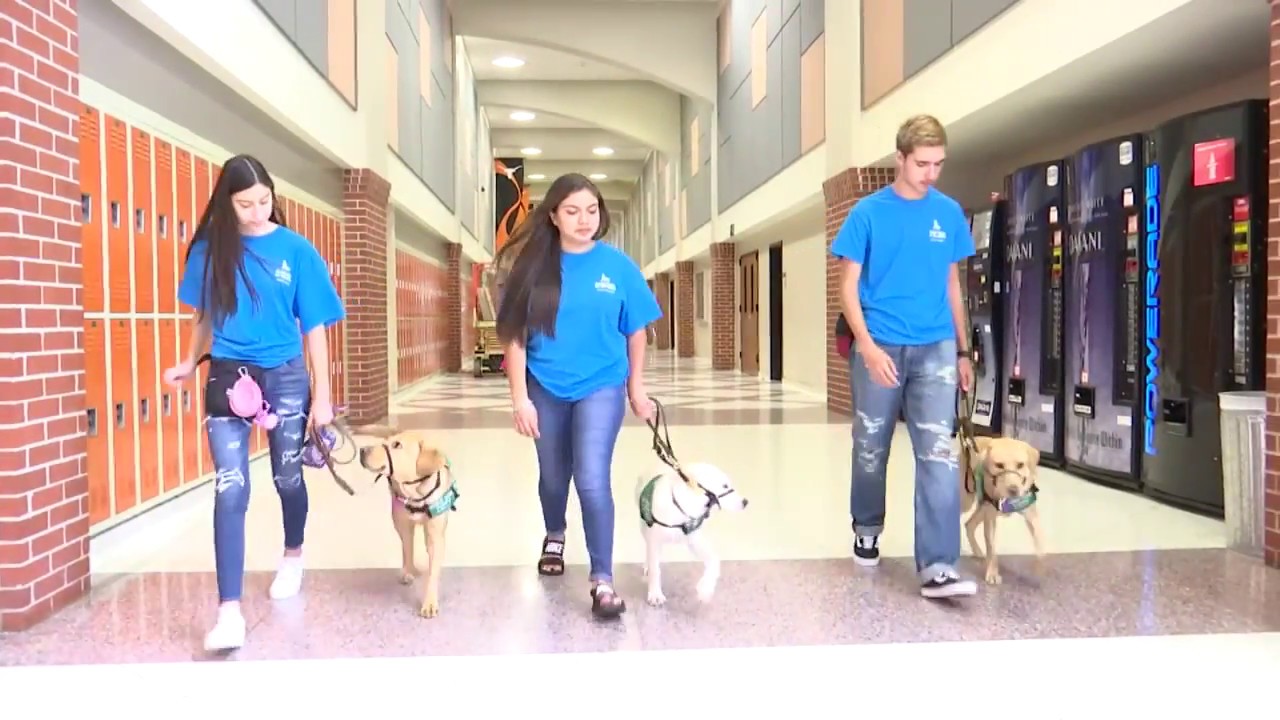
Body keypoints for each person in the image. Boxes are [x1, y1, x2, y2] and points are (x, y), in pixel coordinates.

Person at [164, 154, 345, 650]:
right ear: (227, 202)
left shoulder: (297, 251)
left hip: (285, 377)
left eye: (264, 200)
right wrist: (189, 359)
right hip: (227, 376)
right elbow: (205, 313)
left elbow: (316, 329)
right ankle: (229, 613)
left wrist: (324, 397)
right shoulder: (209, 250)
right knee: (230, 488)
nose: (257, 211)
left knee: (287, 476)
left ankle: (293, 553)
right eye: (245, 204)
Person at [493, 172, 661, 619]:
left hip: (602, 385)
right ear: (553, 215)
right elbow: (514, 338)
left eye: (591, 210)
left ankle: (602, 580)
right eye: (572, 211)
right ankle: (554, 532)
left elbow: (637, 330)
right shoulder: (531, 268)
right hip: (544, 386)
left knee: (591, 477)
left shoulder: (618, 266)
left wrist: (636, 387)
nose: (584, 219)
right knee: (553, 476)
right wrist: (519, 399)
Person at [830, 114, 978, 599]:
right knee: (871, 448)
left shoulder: (949, 212)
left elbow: (953, 284)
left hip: (935, 346)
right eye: (921, 163)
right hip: (882, 344)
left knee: (938, 454)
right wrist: (868, 347)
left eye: (938, 164)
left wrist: (963, 349)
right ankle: (867, 527)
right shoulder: (868, 214)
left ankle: (938, 564)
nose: (930, 173)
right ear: (899, 159)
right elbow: (847, 287)